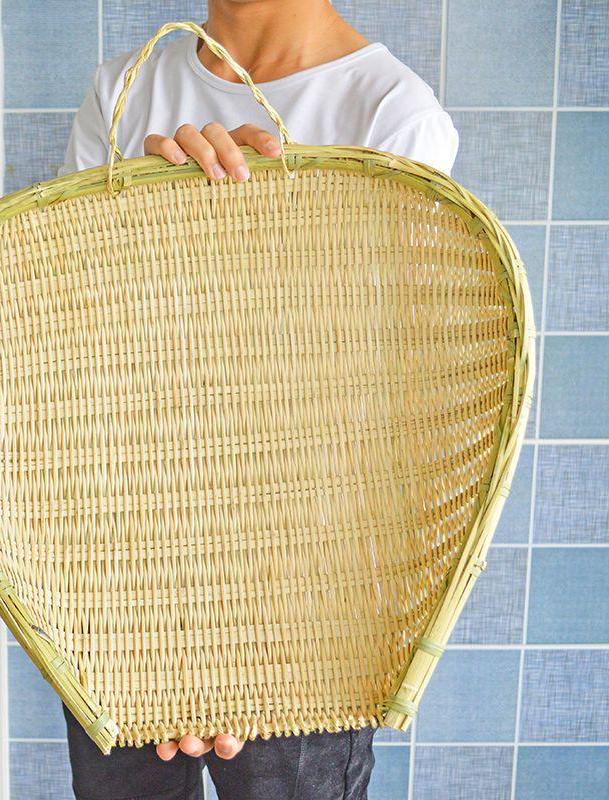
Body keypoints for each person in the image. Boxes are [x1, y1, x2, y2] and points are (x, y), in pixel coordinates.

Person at [57, 2, 459, 798]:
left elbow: (372, 410)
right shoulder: (121, 94)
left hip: (305, 609)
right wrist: (145, 624)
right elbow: (82, 364)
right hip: (123, 581)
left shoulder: (389, 115)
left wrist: (242, 646)